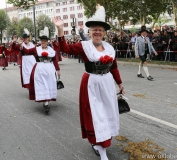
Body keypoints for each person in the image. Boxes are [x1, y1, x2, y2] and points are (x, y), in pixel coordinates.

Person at [53, 5, 124, 160]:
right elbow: (64, 48)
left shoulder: (110, 48)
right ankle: (101, 149)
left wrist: (119, 83)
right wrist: (60, 29)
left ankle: (104, 143)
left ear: (104, 32)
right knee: (95, 114)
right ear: (89, 32)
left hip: (107, 84)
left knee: (106, 113)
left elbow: (114, 67)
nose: (97, 32)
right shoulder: (83, 46)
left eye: (100, 29)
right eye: (94, 29)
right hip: (91, 83)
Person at [18, 27, 61, 113]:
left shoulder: (51, 50)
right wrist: (21, 45)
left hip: (49, 70)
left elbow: (55, 60)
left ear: (47, 41)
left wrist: (58, 70)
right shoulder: (36, 49)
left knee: (49, 84)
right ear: (40, 41)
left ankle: (47, 101)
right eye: (42, 41)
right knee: (42, 85)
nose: (43, 42)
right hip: (40, 70)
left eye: (45, 41)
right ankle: (45, 102)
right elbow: (27, 51)